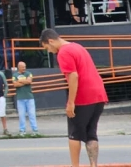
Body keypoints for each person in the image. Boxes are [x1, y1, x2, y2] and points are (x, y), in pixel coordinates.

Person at [40, 29, 108, 167]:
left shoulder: (63, 52)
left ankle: (74, 165)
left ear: (51, 41)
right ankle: (93, 165)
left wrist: (71, 102)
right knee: (91, 133)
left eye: (47, 47)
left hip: (83, 96)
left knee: (74, 133)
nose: (49, 51)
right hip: (99, 94)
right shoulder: (78, 47)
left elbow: (73, 76)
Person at [12, 61, 39, 136]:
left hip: (30, 98)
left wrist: (20, 81)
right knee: (21, 115)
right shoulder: (15, 75)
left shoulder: (29, 73)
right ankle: (22, 130)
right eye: (23, 67)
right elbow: (15, 84)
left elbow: (29, 81)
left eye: (25, 66)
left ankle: (35, 130)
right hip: (20, 98)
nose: (24, 68)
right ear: (19, 67)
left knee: (32, 114)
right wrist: (25, 81)